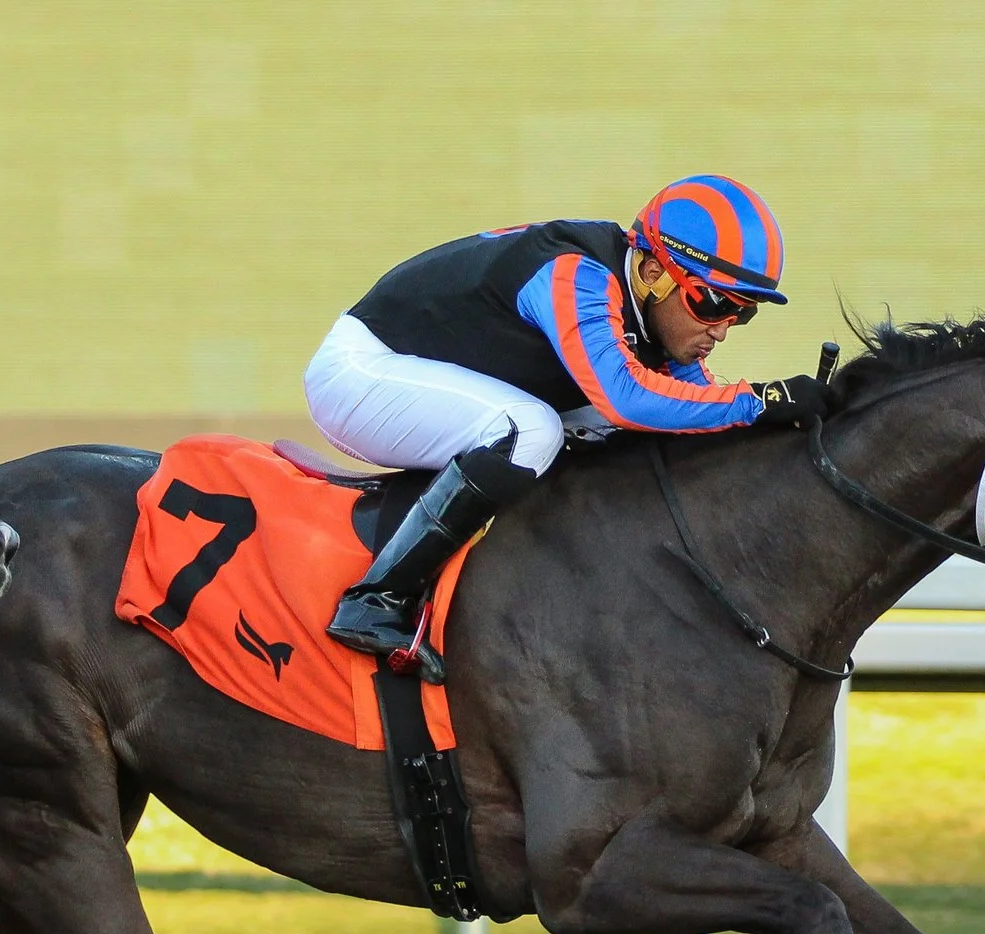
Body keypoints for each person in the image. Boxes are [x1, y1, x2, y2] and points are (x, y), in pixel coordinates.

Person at [305, 175, 828, 665]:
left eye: (743, 312)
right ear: (653, 274)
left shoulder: (648, 305)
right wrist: (761, 401)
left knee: (621, 430)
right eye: (712, 304)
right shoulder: (577, 275)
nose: (723, 329)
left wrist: (775, 423)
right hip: (359, 373)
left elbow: (697, 406)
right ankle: (377, 600)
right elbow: (627, 399)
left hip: (424, 372)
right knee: (531, 429)